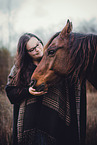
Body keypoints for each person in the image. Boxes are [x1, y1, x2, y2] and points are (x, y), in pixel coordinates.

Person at [5, 32, 86, 145]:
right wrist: (27, 91)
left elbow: (70, 81)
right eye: (32, 49)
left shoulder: (54, 61)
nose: (37, 49)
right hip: (31, 123)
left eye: (38, 44)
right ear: (26, 53)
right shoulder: (19, 68)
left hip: (54, 120)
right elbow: (11, 92)